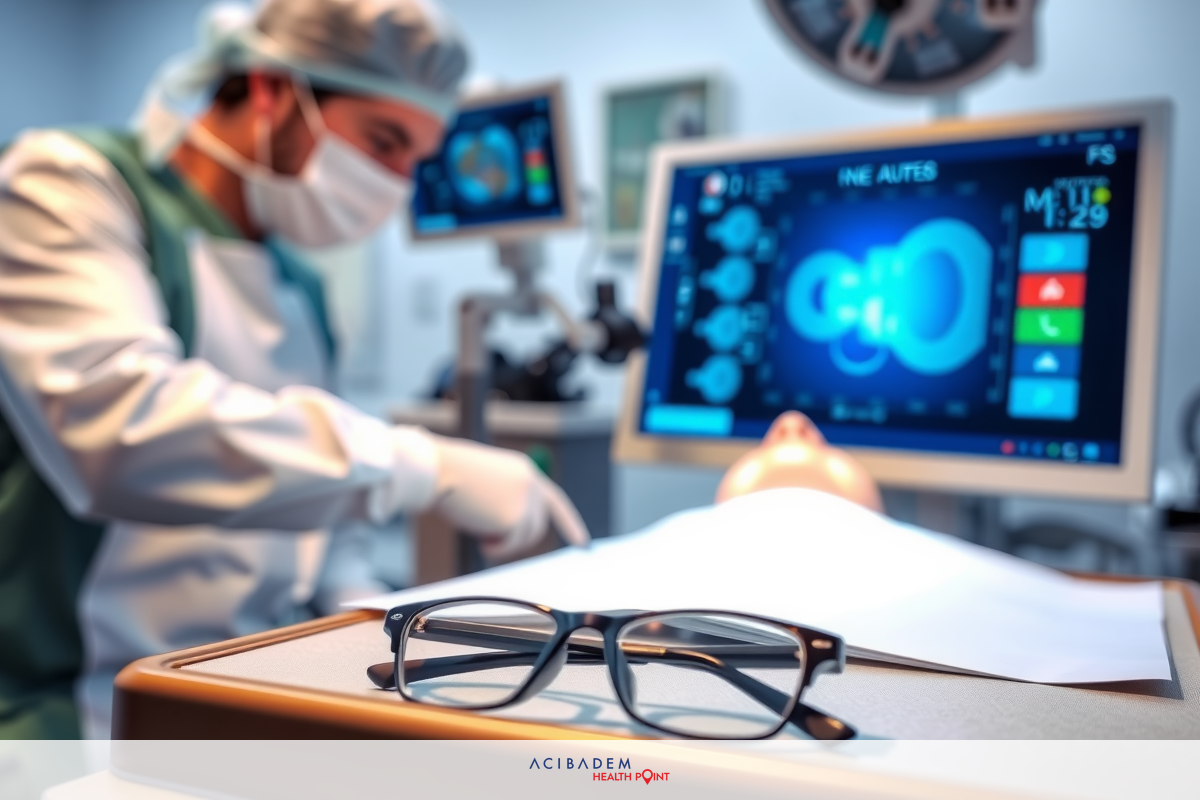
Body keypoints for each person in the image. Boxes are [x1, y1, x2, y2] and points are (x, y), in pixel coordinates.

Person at [0, 0, 588, 740]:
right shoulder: (71, 185)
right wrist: (421, 466)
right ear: (275, 91)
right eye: (384, 141)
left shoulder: (300, 285)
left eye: (417, 160)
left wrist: (370, 627)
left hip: (243, 681)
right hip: (66, 711)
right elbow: (120, 430)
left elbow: (317, 521)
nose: (400, 183)